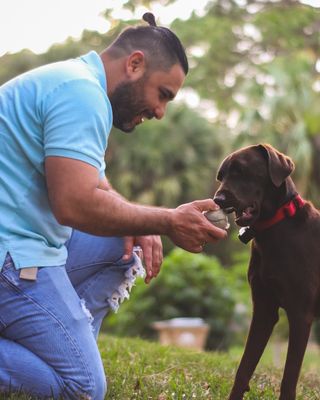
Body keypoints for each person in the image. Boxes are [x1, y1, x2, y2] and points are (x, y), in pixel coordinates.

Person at [0, 12, 227, 399]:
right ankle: (63, 353)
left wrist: (143, 224)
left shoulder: (75, 81)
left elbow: (97, 185)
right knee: (84, 387)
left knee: (126, 247)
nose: (160, 112)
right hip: (13, 257)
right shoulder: (81, 93)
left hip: (29, 246)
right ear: (135, 64)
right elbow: (73, 204)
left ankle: (63, 342)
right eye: (163, 94)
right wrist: (168, 220)